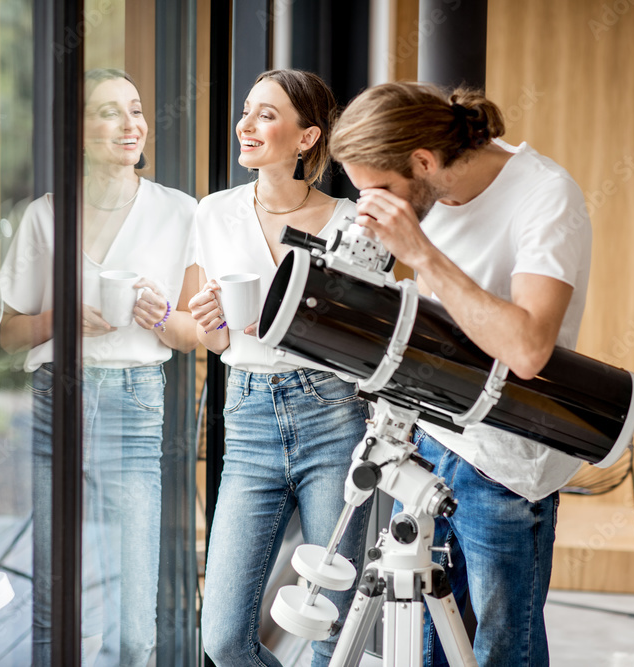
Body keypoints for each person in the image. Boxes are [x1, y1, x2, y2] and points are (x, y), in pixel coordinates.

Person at [329, 82, 592, 666]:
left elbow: (527, 349)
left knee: (502, 649)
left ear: (423, 160)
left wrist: (420, 251)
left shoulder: (545, 196)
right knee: (424, 646)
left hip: (505, 463)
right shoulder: (424, 198)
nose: (375, 202)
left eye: (381, 189)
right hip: (425, 444)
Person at [0, 68, 199, 666]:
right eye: (109, 111)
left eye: (135, 110)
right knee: (51, 608)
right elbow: (9, 336)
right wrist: (57, 321)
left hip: (135, 403)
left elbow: (196, 336)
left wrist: (159, 315)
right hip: (52, 401)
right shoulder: (43, 215)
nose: (131, 124)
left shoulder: (180, 212)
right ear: (77, 130)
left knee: (134, 627)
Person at [191, 69, 374, 667]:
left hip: (332, 416)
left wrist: (282, 318)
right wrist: (212, 320)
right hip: (246, 417)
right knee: (222, 637)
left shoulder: (352, 224)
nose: (245, 125)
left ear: (306, 138)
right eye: (246, 111)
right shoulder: (213, 214)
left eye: (266, 115)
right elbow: (212, 338)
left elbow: (369, 342)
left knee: (333, 630)